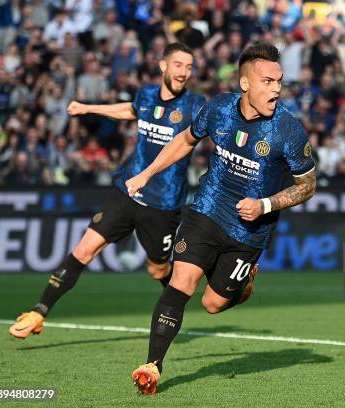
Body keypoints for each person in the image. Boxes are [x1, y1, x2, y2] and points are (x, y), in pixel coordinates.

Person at [124, 43, 316, 394]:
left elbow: (308, 185)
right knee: (181, 281)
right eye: (267, 81)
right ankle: (152, 364)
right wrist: (147, 173)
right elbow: (185, 140)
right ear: (245, 83)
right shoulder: (218, 108)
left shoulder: (288, 129)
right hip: (207, 210)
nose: (276, 89)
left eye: (279, 81)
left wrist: (266, 205)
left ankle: (243, 285)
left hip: (250, 231)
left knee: (212, 305)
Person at [9, 42, 206, 339]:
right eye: (178, 65)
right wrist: (88, 106)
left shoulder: (195, 105)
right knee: (84, 250)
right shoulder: (147, 95)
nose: (184, 72)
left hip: (162, 204)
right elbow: (130, 111)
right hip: (126, 191)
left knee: (157, 270)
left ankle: (174, 303)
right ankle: (38, 312)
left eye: (189, 67)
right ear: (163, 65)